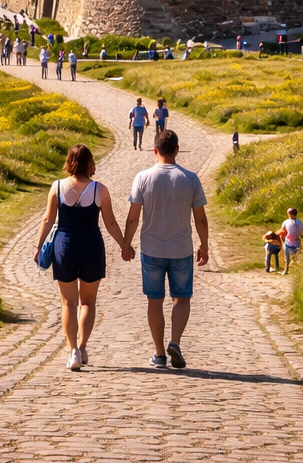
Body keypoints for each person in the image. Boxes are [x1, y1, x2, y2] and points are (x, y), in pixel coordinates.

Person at [33, 143, 131, 371]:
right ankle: (83, 346)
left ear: (69, 161)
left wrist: (38, 246)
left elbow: (48, 220)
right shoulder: (100, 190)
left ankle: (72, 351)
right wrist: (124, 245)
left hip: (64, 246)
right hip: (91, 246)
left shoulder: (57, 187)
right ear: (90, 163)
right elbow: (110, 222)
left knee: (68, 302)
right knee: (88, 302)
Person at [122, 129, 209, 370]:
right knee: (182, 298)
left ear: (155, 150)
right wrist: (204, 245)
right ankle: (175, 342)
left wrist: (126, 244)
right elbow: (200, 218)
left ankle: (159, 354)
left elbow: (133, 216)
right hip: (181, 248)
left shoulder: (142, 177)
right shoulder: (190, 178)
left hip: (151, 248)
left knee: (154, 300)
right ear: (177, 150)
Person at [277, 207, 303, 275]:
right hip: (297, 242)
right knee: (296, 258)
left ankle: (286, 270)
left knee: (287, 257)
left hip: (288, 242)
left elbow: (283, 231)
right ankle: (297, 272)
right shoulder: (300, 222)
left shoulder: (286, 222)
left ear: (289, 214)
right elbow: (300, 233)